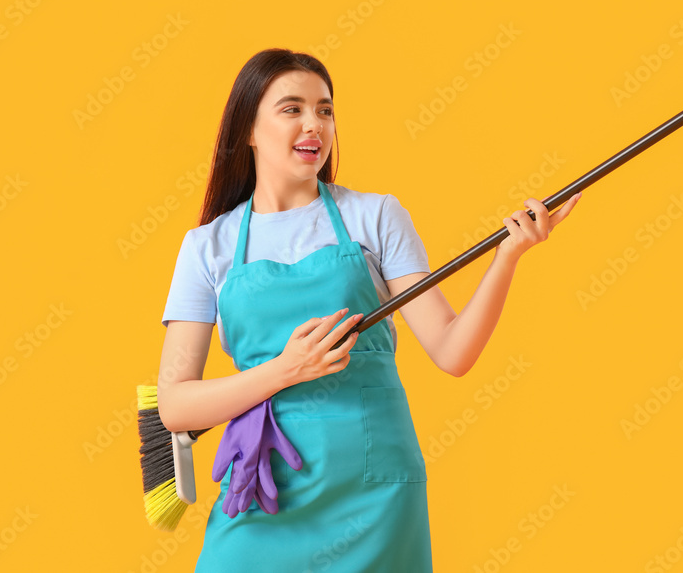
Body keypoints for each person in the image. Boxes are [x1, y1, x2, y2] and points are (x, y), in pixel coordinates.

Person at [157, 48, 581, 571]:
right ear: (247, 128)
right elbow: (174, 405)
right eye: (292, 109)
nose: (314, 124)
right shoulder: (208, 246)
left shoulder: (374, 216)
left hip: (374, 494)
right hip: (265, 489)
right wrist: (285, 370)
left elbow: (452, 351)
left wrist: (508, 257)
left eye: (325, 109)